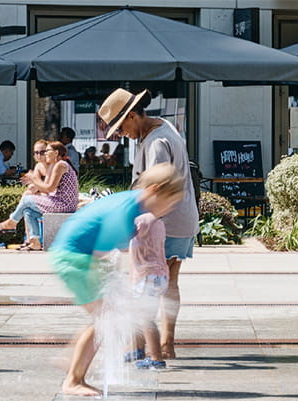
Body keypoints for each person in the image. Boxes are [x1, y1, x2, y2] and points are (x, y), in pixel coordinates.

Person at [49, 163, 185, 396]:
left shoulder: (133, 203)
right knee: (106, 318)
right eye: (169, 203)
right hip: (74, 258)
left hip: (74, 254)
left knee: (105, 316)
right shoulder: (127, 213)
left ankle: (72, 360)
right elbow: (102, 249)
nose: (169, 209)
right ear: (155, 190)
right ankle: (73, 379)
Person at [98, 88, 198, 359]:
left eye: (120, 127)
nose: (121, 134)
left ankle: (141, 346)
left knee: (146, 281)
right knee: (169, 282)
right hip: (183, 219)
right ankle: (167, 344)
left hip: (162, 222)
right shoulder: (164, 126)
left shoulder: (155, 142)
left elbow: (156, 188)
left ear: (132, 115)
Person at [0, 141, 80, 251]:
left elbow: (49, 188)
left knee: (26, 200)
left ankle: (11, 222)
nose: (45, 154)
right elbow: (47, 188)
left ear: (56, 153)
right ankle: (35, 242)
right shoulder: (58, 165)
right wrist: (34, 181)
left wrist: (33, 179)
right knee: (28, 211)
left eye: (47, 151)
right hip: (60, 202)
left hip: (63, 204)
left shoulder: (60, 165)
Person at [127, 213, 170, 370]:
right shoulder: (158, 221)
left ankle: (156, 358)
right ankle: (138, 350)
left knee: (145, 318)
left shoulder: (142, 220)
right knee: (140, 314)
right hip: (158, 275)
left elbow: (123, 241)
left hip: (147, 277)